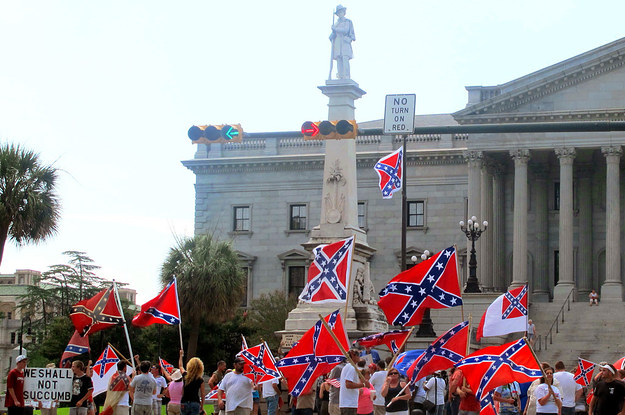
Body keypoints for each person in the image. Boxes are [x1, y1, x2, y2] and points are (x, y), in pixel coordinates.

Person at [329, 4, 355, 79]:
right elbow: (332, 36)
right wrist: (332, 34)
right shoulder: (336, 24)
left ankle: (346, 76)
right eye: (338, 13)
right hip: (337, 43)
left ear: (344, 12)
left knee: (345, 59)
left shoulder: (347, 22)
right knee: (339, 59)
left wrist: (335, 29)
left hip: (345, 43)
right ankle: (340, 76)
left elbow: (345, 30)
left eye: (341, 12)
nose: (340, 14)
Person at [340, 350, 369, 415]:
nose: (359, 357)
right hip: (349, 404)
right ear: (353, 355)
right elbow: (348, 384)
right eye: (358, 355)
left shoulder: (348, 367)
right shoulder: (351, 367)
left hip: (347, 403)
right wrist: (363, 385)